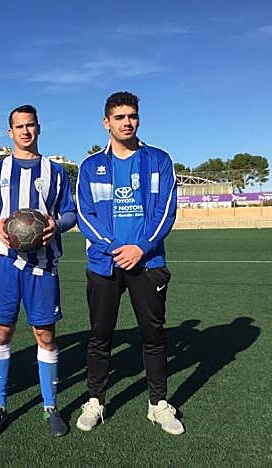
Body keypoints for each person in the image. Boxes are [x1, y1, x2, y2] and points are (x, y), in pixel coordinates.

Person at [75, 91, 184, 435]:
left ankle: (158, 404)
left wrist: (142, 247)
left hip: (148, 262)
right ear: (106, 122)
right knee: (100, 336)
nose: (127, 122)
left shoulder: (159, 160)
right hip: (104, 264)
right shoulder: (91, 166)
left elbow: (167, 211)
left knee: (153, 336)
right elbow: (85, 214)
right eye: (119, 117)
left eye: (132, 116)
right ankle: (95, 401)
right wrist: (113, 247)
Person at [0, 105, 77, 437]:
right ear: (10, 132)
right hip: (5, 263)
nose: (25, 131)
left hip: (43, 266)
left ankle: (50, 406)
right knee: (1, 332)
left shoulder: (55, 172)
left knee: (45, 334)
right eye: (19, 126)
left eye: (30, 125)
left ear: (38, 128)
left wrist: (56, 225)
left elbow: (70, 213)